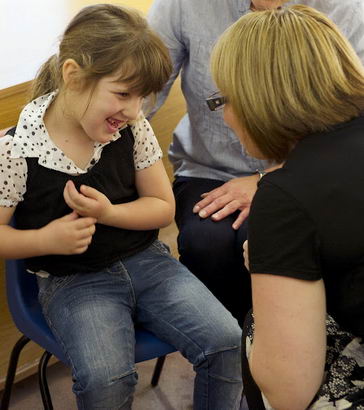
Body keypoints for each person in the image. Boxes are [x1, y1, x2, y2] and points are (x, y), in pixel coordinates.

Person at [0, 5, 243, 409]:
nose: (134, 110)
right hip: (73, 282)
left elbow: (162, 208)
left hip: (148, 262)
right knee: (106, 380)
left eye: (142, 97)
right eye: (123, 94)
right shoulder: (15, 149)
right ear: (73, 75)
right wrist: (46, 239)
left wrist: (109, 214)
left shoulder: (131, 127)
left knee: (227, 342)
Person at [147, 0, 364, 325]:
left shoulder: (348, 10)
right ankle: (225, 346)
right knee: (208, 242)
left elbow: (287, 378)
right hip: (213, 170)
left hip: (300, 172)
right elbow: (141, 88)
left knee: (263, 243)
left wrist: (266, 181)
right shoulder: (180, 6)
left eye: (228, 100)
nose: (225, 115)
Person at [210, 4, 364, 409]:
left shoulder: (284, 198)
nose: (225, 115)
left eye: (225, 98)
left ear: (258, 98)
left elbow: (288, 391)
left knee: (255, 328)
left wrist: (271, 264)